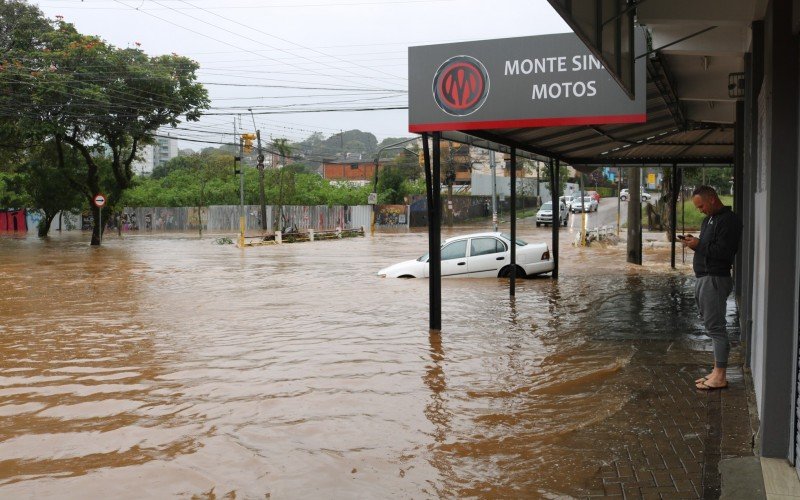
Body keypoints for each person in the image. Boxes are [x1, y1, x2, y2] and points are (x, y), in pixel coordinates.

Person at [680, 185, 742, 390]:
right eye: (698, 208)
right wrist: (694, 242)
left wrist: (698, 245)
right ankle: (716, 371)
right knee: (711, 326)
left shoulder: (729, 220)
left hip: (715, 278)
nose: (700, 210)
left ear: (713, 199)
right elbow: (708, 246)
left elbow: (724, 252)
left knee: (716, 328)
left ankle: (721, 376)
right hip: (704, 278)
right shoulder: (708, 220)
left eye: (702, 206)